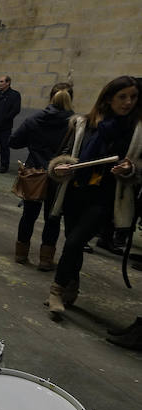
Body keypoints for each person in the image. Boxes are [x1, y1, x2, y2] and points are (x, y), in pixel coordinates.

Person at [45, 75, 141, 318]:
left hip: (105, 197)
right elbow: (64, 155)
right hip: (76, 191)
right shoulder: (83, 124)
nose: (128, 102)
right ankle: (70, 283)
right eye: (122, 97)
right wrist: (61, 167)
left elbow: (139, 166)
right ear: (108, 99)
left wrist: (130, 170)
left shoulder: (136, 131)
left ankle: (56, 290)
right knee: (71, 243)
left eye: (133, 97)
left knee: (75, 242)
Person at [9, 83, 74, 269]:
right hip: (59, 177)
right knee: (52, 218)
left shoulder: (34, 119)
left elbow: (13, 142)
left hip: (34, 174)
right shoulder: (76, 123)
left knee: (28, 215)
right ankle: (45, 260)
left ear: (51, 97)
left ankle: (21, 254)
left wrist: (34, 144)